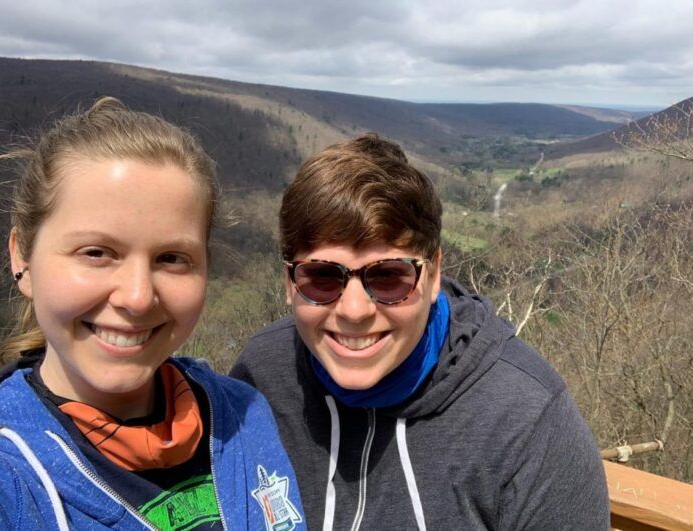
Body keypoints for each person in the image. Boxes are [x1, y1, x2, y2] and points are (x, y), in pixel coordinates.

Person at [230, 133, 610, 530]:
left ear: (433, 276)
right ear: (290, 282)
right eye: (323, 277)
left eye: (389, 277)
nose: (355, 311)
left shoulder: (527, 420)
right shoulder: (261, 378)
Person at [0, 97, 305, 531]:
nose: (137, 298)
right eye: (96, 252)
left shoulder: (244, 416)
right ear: (22, 257)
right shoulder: (2, 473)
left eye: (172, 258)